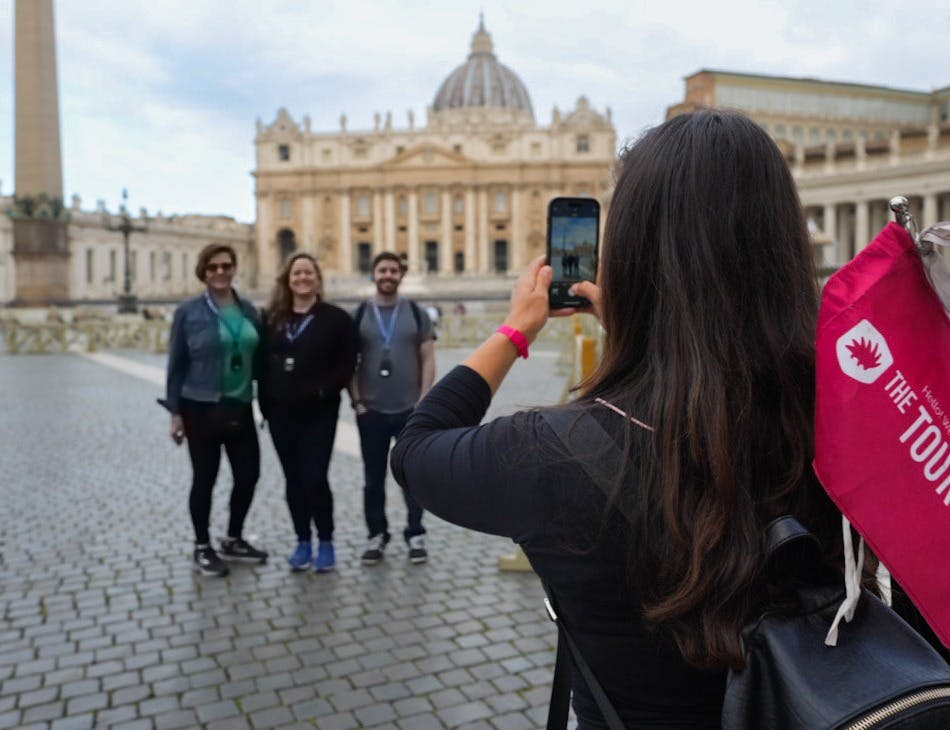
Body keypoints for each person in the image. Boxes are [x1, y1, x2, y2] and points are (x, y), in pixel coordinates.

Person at [391, 110, 844, 726]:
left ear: (630, 257)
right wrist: (650, 336)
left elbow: (416, 448)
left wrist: (514, 331)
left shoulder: (554, 453)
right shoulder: (854, 419)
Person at [162, 243, 268, 577]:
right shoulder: (188, 312)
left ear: (234, 268)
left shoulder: (250, 310)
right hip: (200, 406)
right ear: (203, 272)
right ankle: (202, 545)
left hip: (239, 405)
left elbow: (261, 359)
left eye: (225, 266)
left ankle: (233, 537)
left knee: (248, 475)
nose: (220, 272)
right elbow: (176, 365)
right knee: (204, 479)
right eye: (213, 267)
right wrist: (175, 413)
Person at [258, 253, 356, 573]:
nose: (302, 278)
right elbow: (261, 364)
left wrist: (323, 390)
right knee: (293, 479)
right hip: (280, 413)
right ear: (288, 280)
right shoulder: (272, 319)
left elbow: (347, 364)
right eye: (296, 273)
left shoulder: (337, 319)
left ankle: (325, 540)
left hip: (319, 412)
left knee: (315, 477)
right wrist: (265, 404)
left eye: (308, 273)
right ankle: (302, 540)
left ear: (317, 279)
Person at [350, 252, 436, 565]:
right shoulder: (359, 313)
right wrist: (357, 401)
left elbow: (427, 357)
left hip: (409, 409)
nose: (388, 275)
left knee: (411, 475)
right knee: (372, 478)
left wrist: (424, 400)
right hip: (371, 409)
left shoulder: (415, 311)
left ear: (400, 274)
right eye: (382, 270)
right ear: (374, 274)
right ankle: (377, 534)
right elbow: (349, 361)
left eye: (393, 270)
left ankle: (415, 532)